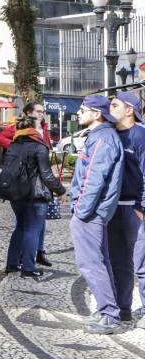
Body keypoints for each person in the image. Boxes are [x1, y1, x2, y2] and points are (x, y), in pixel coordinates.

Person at [69, 95, 125, 335]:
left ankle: (109, 314)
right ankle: (107, 311)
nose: (78, 113)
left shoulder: (102, 138)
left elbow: (94, 179)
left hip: (91, 213)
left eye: (83, 110)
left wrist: (81, 211)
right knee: (99, 262)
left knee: (91, 264)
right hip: (94, 211)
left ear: (97, 113)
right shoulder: (101, 137)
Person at [2, 115, 65, 278]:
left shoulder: (13, 146)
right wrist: (61, 190)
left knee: (20, 227)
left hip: (16, 195)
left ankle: (12, 263)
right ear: (33, 129)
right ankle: (28, 268)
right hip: (35, 196)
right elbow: (47, 175)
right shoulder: (39, 147)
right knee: (32, 230)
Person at [109, 92, 145, 324]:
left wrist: (142, 205)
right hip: (112, 210)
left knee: (142, 265)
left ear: (129, 109)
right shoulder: (109, 134)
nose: (109, 109)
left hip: (135, 208)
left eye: (114, 105)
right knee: (118, 262)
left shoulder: (141, 136)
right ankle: (123, 309)